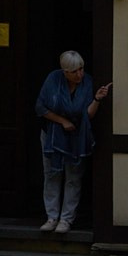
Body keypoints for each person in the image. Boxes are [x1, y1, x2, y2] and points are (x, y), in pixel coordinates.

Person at [35, 48, 107, 232]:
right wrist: (62, 121)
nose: (79, 74)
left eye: (81, 69)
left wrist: (97, 99)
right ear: (65, 72)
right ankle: (51, 217)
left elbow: (87, 115)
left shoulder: (88, 82)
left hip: (77, 135)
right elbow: (41, 107)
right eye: (74, 71)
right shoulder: (53, 79)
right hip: (52, 133)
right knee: (52, 174)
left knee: (73, 177)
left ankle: (66, 219)